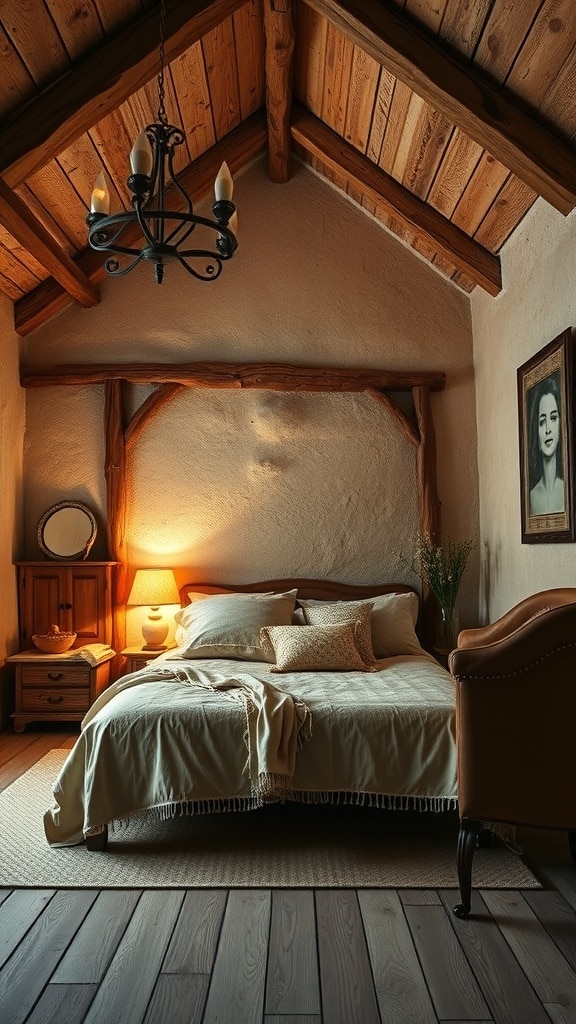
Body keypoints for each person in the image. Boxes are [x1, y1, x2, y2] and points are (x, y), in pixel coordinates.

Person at [528, 373, 565, 516]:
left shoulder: (566, 491)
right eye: (542, 422)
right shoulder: (531, 497)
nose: (548, 429)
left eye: (554, 418)